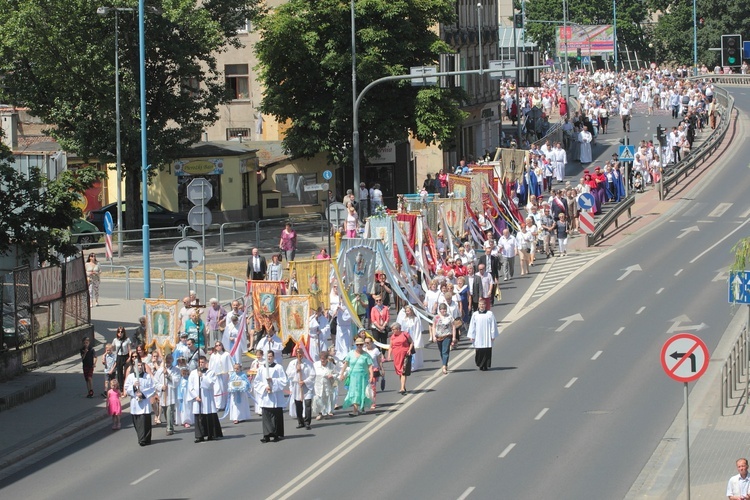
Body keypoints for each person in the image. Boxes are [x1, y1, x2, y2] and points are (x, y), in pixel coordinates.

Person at [254, 350, 289, 443]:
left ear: (273, 357)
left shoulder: (278, 367)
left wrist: (272, 381)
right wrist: (264, 387)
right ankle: (266, 435)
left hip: (276, 395)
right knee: (266, 415)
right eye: (267, 356)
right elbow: (257, 382)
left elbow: (284, 380)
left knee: (276, 415)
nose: (269, 358)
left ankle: (276, 434)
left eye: (270, 356)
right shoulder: (261, 369)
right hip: (266, 395)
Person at [188, 356, 223, 443]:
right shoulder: (193, 373)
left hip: (207, 398)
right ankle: (200, 436)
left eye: (203, 362)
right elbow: (190, 386)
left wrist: (203, 376)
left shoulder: (210, 372)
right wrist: (195, 396)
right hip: (198, 398)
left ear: (206, 363)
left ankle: (211, 434)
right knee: (199, 416)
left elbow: (210, 384)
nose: (201, 364)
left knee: (208, 415)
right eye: (199, 362)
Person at [339, 337, 374, 416]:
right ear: (355, 345)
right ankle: (355, 410)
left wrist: (371, 376)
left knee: (362, 392)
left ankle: (361, 408)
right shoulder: (351, 353)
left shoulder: (366, 355)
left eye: (361, 344)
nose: (359, 346)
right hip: (353, 377)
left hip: (363, 377)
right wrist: (342, 374)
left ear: (363, 345)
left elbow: (370, 366)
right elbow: (346, 364)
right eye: (358, 344)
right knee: (355, 392)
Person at [124, 358, 156, 446]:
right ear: (134, 367)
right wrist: (134, 387)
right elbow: (127, 388)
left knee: (145, 422)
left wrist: (143, 394)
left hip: (144, 403)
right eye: (137, 365)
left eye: (141, 365)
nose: (139, 367)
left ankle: (144, 439)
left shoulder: (147, 376)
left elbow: (152, 388)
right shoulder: (131, 377)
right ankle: (141, 437)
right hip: (135, 403)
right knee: (137, 423)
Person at [287, 346, 315, 430]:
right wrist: (296, 370)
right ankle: (300, 421)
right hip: (297, 386)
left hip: (306, 386)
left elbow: (313, 375)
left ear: (303, 354)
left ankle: (307, 422)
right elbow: (288, 374)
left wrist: (305, 381)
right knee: (298, 404)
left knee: (307, 404)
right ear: (295, 354)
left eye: (301, 353)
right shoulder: (292, 363)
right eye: (297, 353)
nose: (299, 355)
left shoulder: (309, 363)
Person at [467, 300, 498, 371]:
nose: (481, 306)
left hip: (487, 335)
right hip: (478, 336)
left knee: (487, 350)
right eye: (480, 304)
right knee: (479, 350)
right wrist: (472, 335)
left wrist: (493, 335)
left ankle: (486, 365)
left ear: (485, 305)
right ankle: (480, 364)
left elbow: (493, 325)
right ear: (478, 305)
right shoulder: (475, 314)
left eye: (483, 304)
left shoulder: (490, 314)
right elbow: (472, 326)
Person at [154, 354, 179, 436]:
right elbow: (155, 381)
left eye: (170, 358)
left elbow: (177, 380)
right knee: (165, 411)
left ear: (172, 360)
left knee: (170, 411)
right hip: (163, 394)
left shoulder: (176, 370)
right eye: (167, 358)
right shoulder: (160, 370)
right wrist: (161, 387)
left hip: (171, 393)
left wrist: (168, 375)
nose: (168, 360)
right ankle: (169, 423)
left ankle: (169, 428)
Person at [389, 323, 413, 395]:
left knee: (403, 371)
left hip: (405, 354)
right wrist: (389, 355)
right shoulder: (392, 337)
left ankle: (402, 387)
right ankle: (403, 386)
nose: (392, 331)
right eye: (392, 329)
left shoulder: (405, 334)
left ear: (398, 329)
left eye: (393, 329)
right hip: (396, 356)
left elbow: (411, 342)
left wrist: (409, 350)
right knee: (399, 371)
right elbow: (391, 346)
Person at [433, 303, 456, 375]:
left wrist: (454, 337)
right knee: (441, 351)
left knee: (445, 351)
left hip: (447, 335)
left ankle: (444, 366)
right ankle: (445, 363)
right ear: (439, 310)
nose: (443, 311)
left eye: (444, 309)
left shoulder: (449, 317)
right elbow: (433, 327)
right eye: (442, 310)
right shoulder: (436, 317)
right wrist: (433, 336)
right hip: (439, 336)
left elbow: (453, 327)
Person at [313, 351, 337, 419]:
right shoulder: (315, 365)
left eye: (324, 358)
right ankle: (319, 413)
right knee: (318, 400)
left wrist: (332, 375)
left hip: (328, 385)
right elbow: (312, 374)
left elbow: (336, 374)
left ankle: (326, 413)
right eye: (321, 358)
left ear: (327, 358)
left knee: (326, 399)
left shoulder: (331, 365)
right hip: (318, 385)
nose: (322, 360)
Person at [209, 342, 232, 411]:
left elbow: (230, 365)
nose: (218, 347)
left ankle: (225, 404)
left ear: (222, 346)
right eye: (216, 346)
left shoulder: (226, 354)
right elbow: (211, 366)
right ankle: (218, 405)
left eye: (219, 345)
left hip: (225, 374)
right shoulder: (213, 355)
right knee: (217, 389)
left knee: (225, 389)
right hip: (216, 375)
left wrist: (230, 374)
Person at [363, 337, 383, 409]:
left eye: (368, 342)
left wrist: (381, 369)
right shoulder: (363, 350)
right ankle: (366, 401)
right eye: (365, 343)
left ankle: (373, 402)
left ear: (371, 343)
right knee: (365, 387)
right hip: (365, 371)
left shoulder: (375, 350)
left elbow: (379, 361)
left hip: (374, 370)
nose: (366, 344)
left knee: (373, 387)